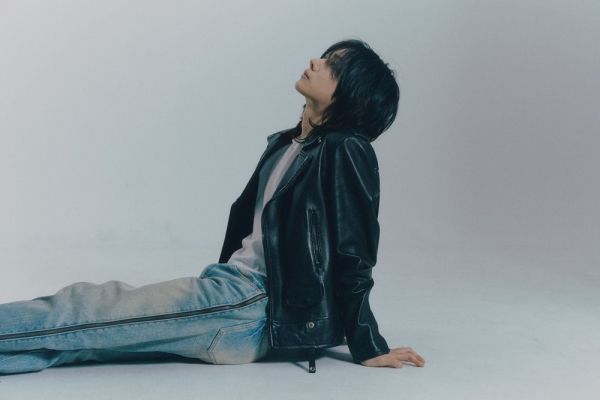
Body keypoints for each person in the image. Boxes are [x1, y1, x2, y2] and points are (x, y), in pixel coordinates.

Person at [0, 38, 425, 375]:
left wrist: (367, 342)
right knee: (79, 342)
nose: (316, 62)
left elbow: (355, 253)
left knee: (88, 307)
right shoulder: (288, 145)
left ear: (352, 95)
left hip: (250, 306)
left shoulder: (347, 149)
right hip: (230, 291)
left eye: (333, 65)